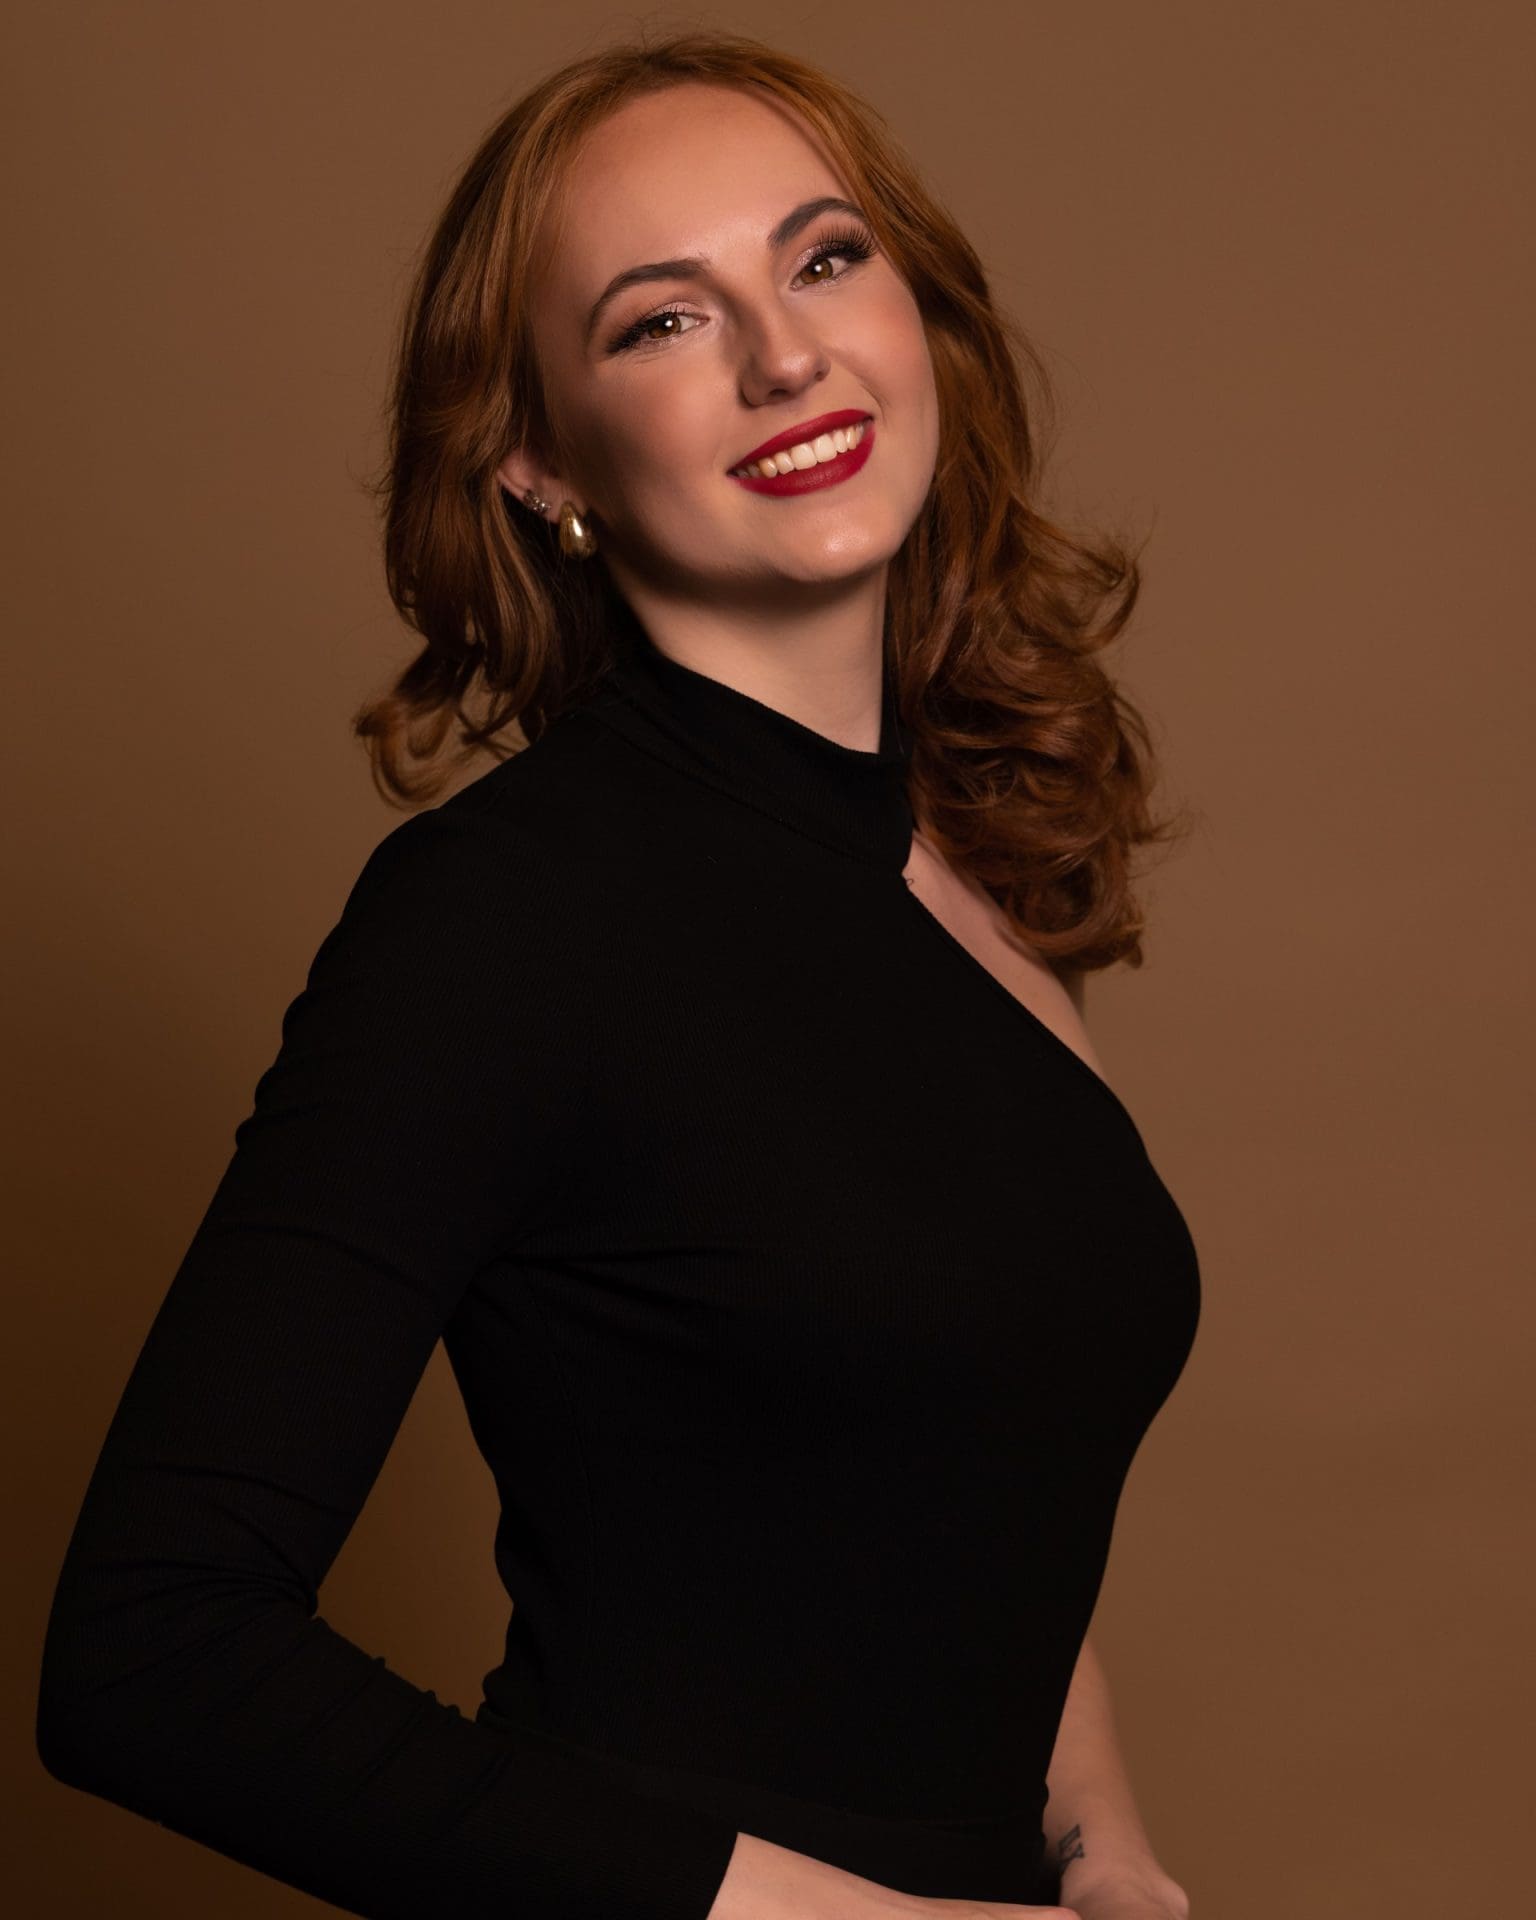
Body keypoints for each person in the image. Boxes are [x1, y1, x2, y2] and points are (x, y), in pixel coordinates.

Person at [36, 28, 1200, 1920]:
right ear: (539, 460)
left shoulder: (965, 876)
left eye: (825, 259)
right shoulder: (501, 919)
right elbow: (148, 1652)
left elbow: (978, 1472)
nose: (782, 356)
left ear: (918, 318)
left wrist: (1100, 1840)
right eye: (662, 319)